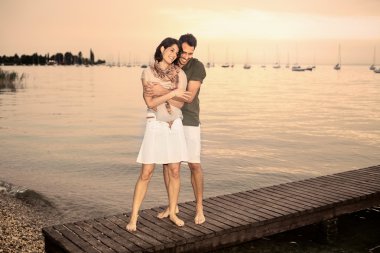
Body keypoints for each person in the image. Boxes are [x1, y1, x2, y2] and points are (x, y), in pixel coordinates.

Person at [126, 37, 191, 232]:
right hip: (155, 124)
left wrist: (163, 91)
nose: (173, 55)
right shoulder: (147, 73)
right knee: (146, 172)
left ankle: (172, 212)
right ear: (162, 49)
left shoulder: (180, 74)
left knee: (175, 171)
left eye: (176, 53)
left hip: (174, 125)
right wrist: (172, 92)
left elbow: (182, 102)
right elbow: (150, 103)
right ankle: (133, 218)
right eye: (171, 50)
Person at [144, 34, 207, 224]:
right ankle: (173, 207)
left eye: (190, 53)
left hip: (189, 120)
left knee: (194, 164)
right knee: (169, 164)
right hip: (168, 119)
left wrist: (162, 91)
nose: (186, 56)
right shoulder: (169, 65)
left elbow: (188, 97)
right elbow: (150, 90)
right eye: (184, 52)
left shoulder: (196, 66)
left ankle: (199, 208)